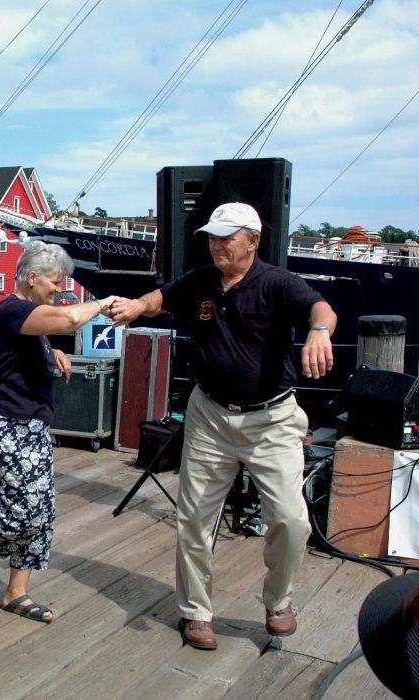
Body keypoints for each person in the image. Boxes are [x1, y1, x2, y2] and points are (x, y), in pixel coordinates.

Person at [108, 202, 336, 650]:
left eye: (226, 237)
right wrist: (138, 305)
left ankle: (278, 601)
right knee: (193, 519)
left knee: (291, 520)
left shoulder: (278, 283)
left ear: (253, 240)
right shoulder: (201, 281)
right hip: (210, 415)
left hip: (271, 420)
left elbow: (321, 309)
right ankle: (195, 612)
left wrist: (320, 332)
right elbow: (163, 298)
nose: (217, 245)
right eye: (213, 237)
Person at [0, 241, 116, 623]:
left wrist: (52, 353)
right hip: (3, 424)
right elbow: (69, 321)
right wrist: (103, 303)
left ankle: (15, 594)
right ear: (33, 277)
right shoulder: (11, 309)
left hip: (33, 426)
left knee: (43, 512)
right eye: (56, 282)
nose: (60, 289)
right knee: (21, 514)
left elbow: (37, 338)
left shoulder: (30, 319)